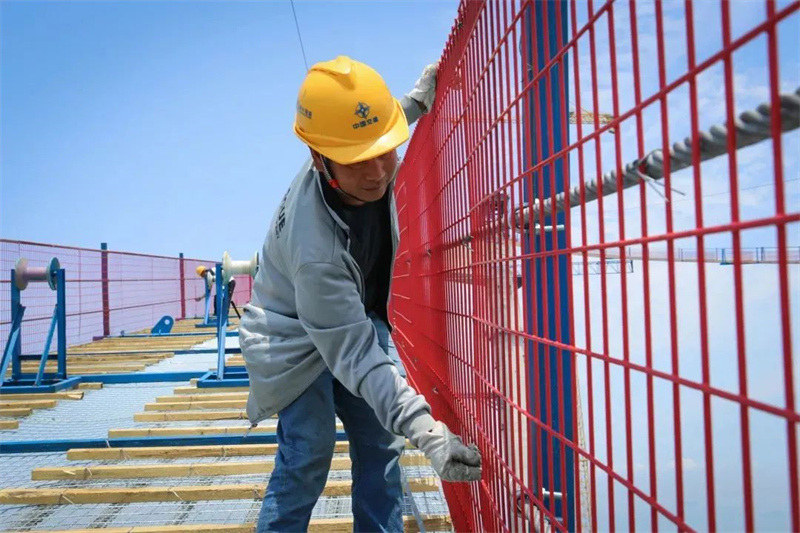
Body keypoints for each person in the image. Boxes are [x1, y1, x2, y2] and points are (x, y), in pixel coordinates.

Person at [240, 56, 482, 533]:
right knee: (307, 455)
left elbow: (376, 129)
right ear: (319, 158)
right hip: (291, 341)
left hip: (353, 315)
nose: (376, 173)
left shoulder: (348, 148)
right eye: (357, 161)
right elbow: (357, 355)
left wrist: (414, 102)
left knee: (380, 446)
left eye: (386, 151)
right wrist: (431, 435)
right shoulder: (317, 254)